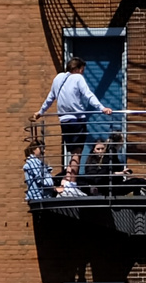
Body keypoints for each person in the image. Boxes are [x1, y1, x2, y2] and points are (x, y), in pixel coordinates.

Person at [35, 57, 115, 188]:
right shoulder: (77, 78)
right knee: (77, 153)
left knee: (72, 152)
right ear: (77, 69)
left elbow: (50, 97)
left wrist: (40, 111)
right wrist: (102, 108)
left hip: (64, 121)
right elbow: (88, 95)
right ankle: (71, 184)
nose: (83, 73)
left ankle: (67, 180)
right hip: (77, 120)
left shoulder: (58, 78)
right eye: (82, 70)